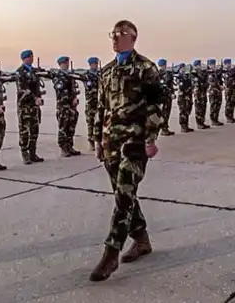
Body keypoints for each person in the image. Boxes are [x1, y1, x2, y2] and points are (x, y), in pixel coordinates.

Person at [90, 20, 163, 281]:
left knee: (124, 195)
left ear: (133, 38)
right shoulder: (107, 71)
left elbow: (156, 105)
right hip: (111, 142)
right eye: (113, 34)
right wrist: (97, 140)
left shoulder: (145, 68)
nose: (115, 38)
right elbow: (100, 107)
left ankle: (111, 253)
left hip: (135, 142)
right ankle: (141, 240)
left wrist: (151, 139)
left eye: (121, 34)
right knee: (123, 194)